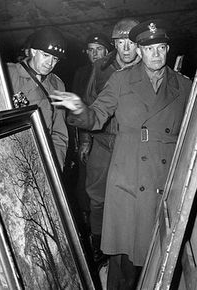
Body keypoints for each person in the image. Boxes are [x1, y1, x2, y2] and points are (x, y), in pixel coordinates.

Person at [50, 19, 192, 289]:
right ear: (139, 51)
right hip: (129, 176)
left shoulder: (185, 87)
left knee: (161, 256)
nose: (156, 54)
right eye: (149, 49)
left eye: (161, 48)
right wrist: (80, 108)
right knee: (123, 257)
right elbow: (96, 117)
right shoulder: (121, 79)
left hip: (165, 182)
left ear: (168, 49)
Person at [78, 18, 141, 265]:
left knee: (130, 196)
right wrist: (85, 140)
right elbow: (87, 103)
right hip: (103, 142)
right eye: (120, 42)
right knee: (96, 196)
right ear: (114, 43)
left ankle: (126, 247)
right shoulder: (101, 67)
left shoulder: (148, 65)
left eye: (131, 42)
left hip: (131, 145)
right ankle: (98, 243)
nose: (125, 49)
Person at [7, 27, 68, 172]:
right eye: (46, 55)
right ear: (33, 51)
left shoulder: (57, 85)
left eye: (55, 59)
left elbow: (59, 133)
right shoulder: (8, 74)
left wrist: (55, 168)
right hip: (9, 154)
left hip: (41, 159)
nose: (50, 63)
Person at [70, 32, 113, 235]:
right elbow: (80, 107)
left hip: (109, 136)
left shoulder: (112, 70)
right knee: (85, 181)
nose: (94, 54)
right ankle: (89, 229)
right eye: (90, 50)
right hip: (89, 136)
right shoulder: (81, 73)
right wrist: (84, 139)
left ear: (107, 51)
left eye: (99, 50)